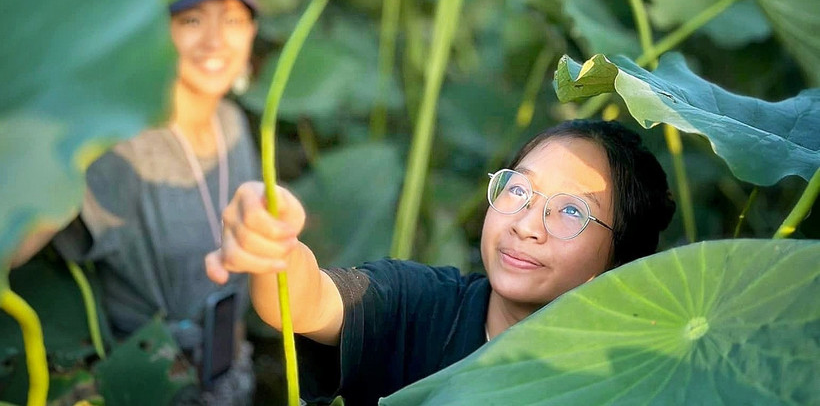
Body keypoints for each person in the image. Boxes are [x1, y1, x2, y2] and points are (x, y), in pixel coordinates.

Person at [205, 119, 677, 405]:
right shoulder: (419, 303)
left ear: (620, 257)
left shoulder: (627, 381)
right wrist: (272, 244)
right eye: (519, 190)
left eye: (570, 210)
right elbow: (308, 301)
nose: (526, 224)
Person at [12, 0, 261, 405]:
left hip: (233, 369)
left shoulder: (234, 124)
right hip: (149, 384)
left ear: (252, 32)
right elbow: (14, 235)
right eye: (191, 20)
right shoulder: (115, 142)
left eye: (232, 20)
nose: (214, 42)